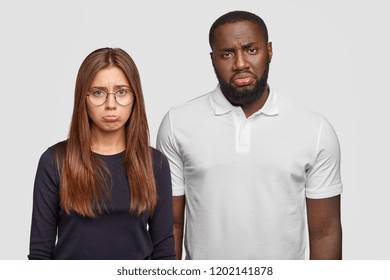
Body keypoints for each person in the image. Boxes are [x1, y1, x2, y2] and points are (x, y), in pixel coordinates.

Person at [157, 11, 343, 260]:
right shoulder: (177, 123)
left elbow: (325, 232)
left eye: (251, 50)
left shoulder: (315, 129)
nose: (240, 63)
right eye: (227, 54)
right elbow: (172, 225)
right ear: (213, 59)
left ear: (269, 51)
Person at [29, 48, 175, 260]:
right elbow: (40, 254)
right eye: (98, 92)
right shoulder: (54, 161)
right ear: (83, 98)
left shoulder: (155, 163)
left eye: (122, 92)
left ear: (135, 97)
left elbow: (164, 253)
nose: (111, 104)